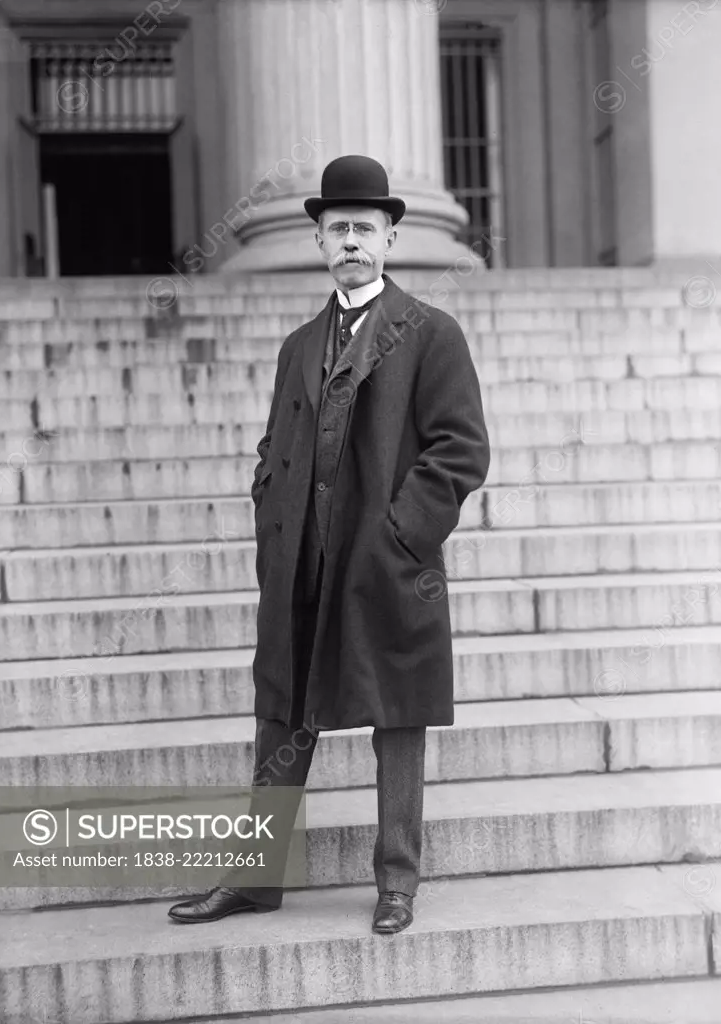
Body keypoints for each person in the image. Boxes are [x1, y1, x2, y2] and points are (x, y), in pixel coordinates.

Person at [169, 154, 491, 934]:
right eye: (337, 228)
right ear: (318, 240)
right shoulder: (297, 345)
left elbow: (460, 449)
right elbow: (273, 448)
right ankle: (255, 879)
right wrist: (270, 523)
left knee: (397, 717)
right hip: (300, 561)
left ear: (388, 239)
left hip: (384, 561)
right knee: (280, 716)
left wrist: (399, 534)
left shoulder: (430, 333)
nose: (351, 240)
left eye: (365, 228)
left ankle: (397, 881)